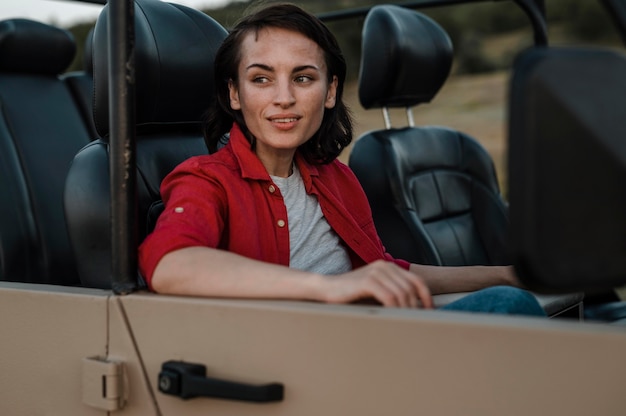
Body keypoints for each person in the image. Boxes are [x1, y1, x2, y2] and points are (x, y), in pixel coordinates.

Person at [138, 3, 545, 316]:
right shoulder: (206, 179)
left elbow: (382, 268)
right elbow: (171, 264)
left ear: (330, 91)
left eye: (303, 78)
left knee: (507, 296)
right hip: (299, 356)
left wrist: (503, 272)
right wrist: (326, 287)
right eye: (261, 79)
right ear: (234, 95)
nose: (284, 97)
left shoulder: (336, 178)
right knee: (509, 309)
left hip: (368, 333)